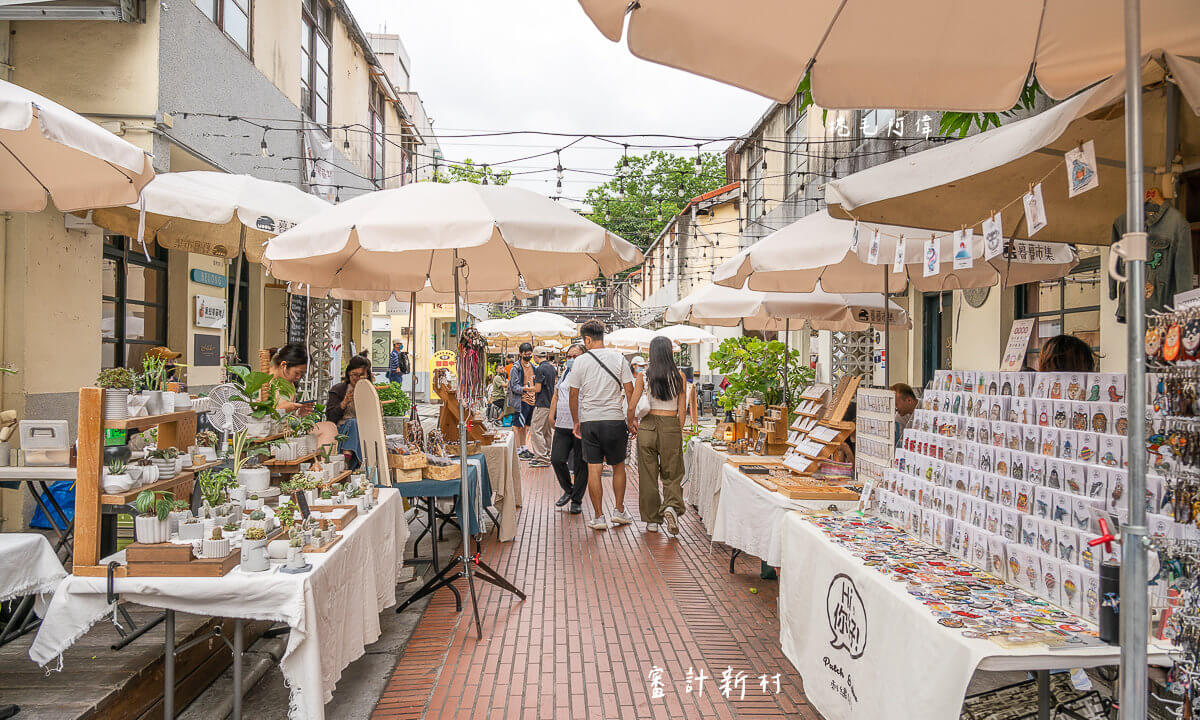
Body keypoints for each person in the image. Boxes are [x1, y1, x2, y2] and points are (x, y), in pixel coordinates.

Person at [564, 320, 637, 531]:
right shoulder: (618, 357)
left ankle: (598, 517)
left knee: (593, 469)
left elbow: (573, 393)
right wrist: (631, 418)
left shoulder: (580, 362)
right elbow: (630, 391)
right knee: (618, 467)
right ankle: (619, 511)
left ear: (587, 339)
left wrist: (576, 420)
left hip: (590, 421)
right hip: (614, 420)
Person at [629, 336, 687, 536]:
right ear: (670, 352)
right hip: (670, 424)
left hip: (648, 425)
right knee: (673, 472)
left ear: (651, 353)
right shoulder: (679, 376)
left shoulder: (643, 376)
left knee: (647, 474)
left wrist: (632, 423)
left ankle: (652, 521)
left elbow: (632, 405)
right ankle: (671, 507)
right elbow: (682, 410)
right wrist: (676, 431)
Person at [549, 343, 587, 513]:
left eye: (575, 356)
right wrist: (551, 415)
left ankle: (576, 500)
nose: (571, 360)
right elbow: (556, 395)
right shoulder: (565, 373)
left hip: (581, 424)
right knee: (557, 459)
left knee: (580, 463)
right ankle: (569, 490)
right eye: (569, 357)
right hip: (562, 424)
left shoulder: (587, 374)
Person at [326, 355, 372, 469]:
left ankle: (353, 462)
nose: (357, 378)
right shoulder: (339, 390)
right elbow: (330, 417)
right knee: (353, 423)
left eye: (361, 375)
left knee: (359, 426)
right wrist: (344, 403)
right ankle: (350, 461)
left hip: (364, 432)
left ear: (367, 375)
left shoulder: (370, 391)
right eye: (354, 375)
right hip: (342, 431)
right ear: (348, 374)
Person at [528, 347, 557, 468]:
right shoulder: (551, 367)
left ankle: (541, 457)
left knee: (535, 430)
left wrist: (526, 388)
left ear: (535, 356)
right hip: (550, 402)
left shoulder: (540, 368)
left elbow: (538, 389)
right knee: (546, 431)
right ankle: (548, 454)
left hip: (541, 402)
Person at [267, 343, 312, 416]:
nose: (298, 377)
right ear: (283, 365)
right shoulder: (262, 383)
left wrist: (300, 413)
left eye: (302, 374)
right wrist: (281, 409)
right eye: (297, 373)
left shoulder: (289, 384)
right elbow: (256, 419)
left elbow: (290, 419)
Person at [509, 342, 537, 458]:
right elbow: (514, 386)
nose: (528, 356)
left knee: (525, 426)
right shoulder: (516, 368)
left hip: (532, 400)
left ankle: (523, 448)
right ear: (520, 353)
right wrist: (527, 389)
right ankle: (517, 450)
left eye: (530, 354)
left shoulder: (533, 367)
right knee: (517, 426)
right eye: (526, 354)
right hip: (521, 401)